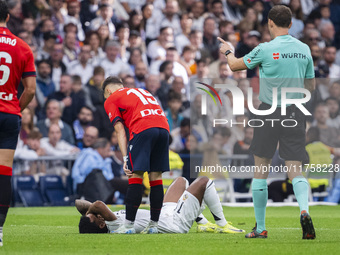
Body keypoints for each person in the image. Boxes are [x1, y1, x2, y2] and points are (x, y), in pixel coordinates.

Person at [218, 5, 316, 239]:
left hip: (268, 112)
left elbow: (234, 66)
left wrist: (227, 50)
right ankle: (304, 210)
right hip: (295, 112)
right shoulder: (304, 49)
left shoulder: (264, 49)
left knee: (260, 169)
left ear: (270, 23)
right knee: (295, 169)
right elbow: (310, 87)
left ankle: (260, 227)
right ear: (291, 24)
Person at [103, 76, 170, 234]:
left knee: (135, 176)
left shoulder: (111, 98)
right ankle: (153, 226)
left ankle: (128, 227)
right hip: (163, 128)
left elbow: (120, 130)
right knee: (155, 177)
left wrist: (126, 158)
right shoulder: (142, 91)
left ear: (108, 91)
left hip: (143, 128)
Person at [76, 176, 244, 234]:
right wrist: (90, 212)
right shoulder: (114, 225)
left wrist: (87, 214)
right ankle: (222, 225)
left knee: (181, 181)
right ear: (101, 223)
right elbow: (97, 204)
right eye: (95, 217)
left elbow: (80, 204)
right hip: (175, 223)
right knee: (204, 182)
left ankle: (202, 223)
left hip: (165, 214)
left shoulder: (107, 220)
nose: (96, 213)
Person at [0, 1, 36, 247]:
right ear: (9, 16)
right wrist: (15, 109)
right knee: (4, 171)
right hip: (9, 115)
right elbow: (30, 90)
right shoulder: (22, 47)